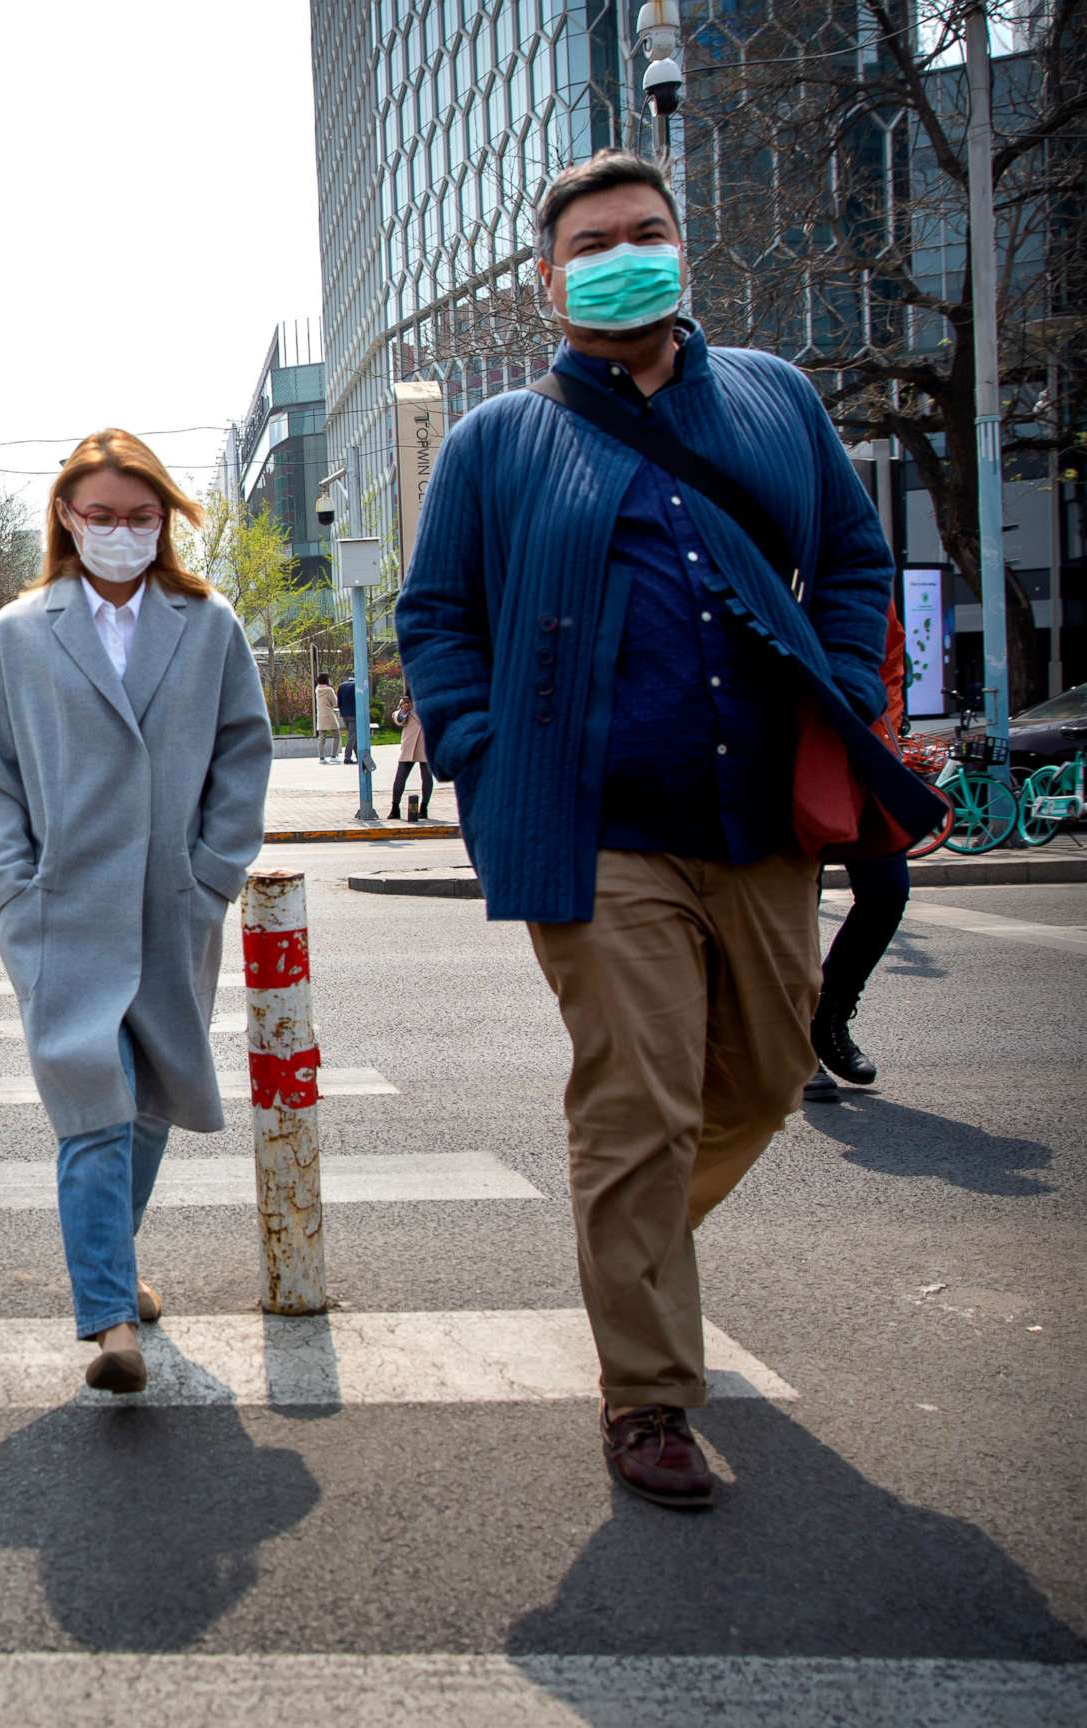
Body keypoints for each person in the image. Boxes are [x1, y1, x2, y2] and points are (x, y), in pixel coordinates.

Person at [396, 150, 938, 1510]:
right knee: (635, 1099)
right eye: (593, 242)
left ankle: (626, 1247)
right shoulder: (495, 443)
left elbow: (856, 558)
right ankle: (647, 1390)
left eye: (646, 234)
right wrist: (477, 747)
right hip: (598, 831)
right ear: (549, 278)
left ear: (684, 252)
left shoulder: (772, 398)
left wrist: (836, 692)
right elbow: (437, 618)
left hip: (762, 819)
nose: (622, 255)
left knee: (760, 1081)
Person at [0, 429, 273, 1396]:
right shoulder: (20, 631)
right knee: (93, 1105)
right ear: (65, 516)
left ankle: (113, 1266)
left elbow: (244, 751)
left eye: (142, 518)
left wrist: (214, 870)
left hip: (172, 906)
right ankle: (107, 1323)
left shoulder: (206, 622)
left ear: (165, 523)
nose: (122, 534)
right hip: (64, 912)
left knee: (148, 1110)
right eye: (101, 517)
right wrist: (16, 888)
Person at [806, 603, 915, 1101]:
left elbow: (890, 659)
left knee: (888, 891)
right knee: (793, 909)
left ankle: (828, 1019)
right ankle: (797, 1046)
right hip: (788, 754)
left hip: (863, 755)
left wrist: (882, 730)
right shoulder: (772, 549)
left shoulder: (859, 561)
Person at [389, 689, 433, 820]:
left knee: (427, 777)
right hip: (410, 743)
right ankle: (395, 807)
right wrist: (404, 711)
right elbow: (398, 718)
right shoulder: (407, 703)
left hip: (426, 742)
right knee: (400, 776)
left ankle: (424, 807)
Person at [313, 672, 341, 763]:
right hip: (329, 714)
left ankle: (321, 758)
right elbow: (335, 702)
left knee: (322, 737)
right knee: (337, 735)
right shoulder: (329, 690)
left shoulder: (317, 689)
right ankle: (333, 756)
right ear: (326, 679)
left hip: (320, 715)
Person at [336, 672, 359, 763]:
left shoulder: (341, 686)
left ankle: (358, 756)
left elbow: (339, 701)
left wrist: (342, 711)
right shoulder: (357, 685)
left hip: (345, 714)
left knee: (353, 736)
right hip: (354, 714)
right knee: (352, 736)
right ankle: (347, 757)